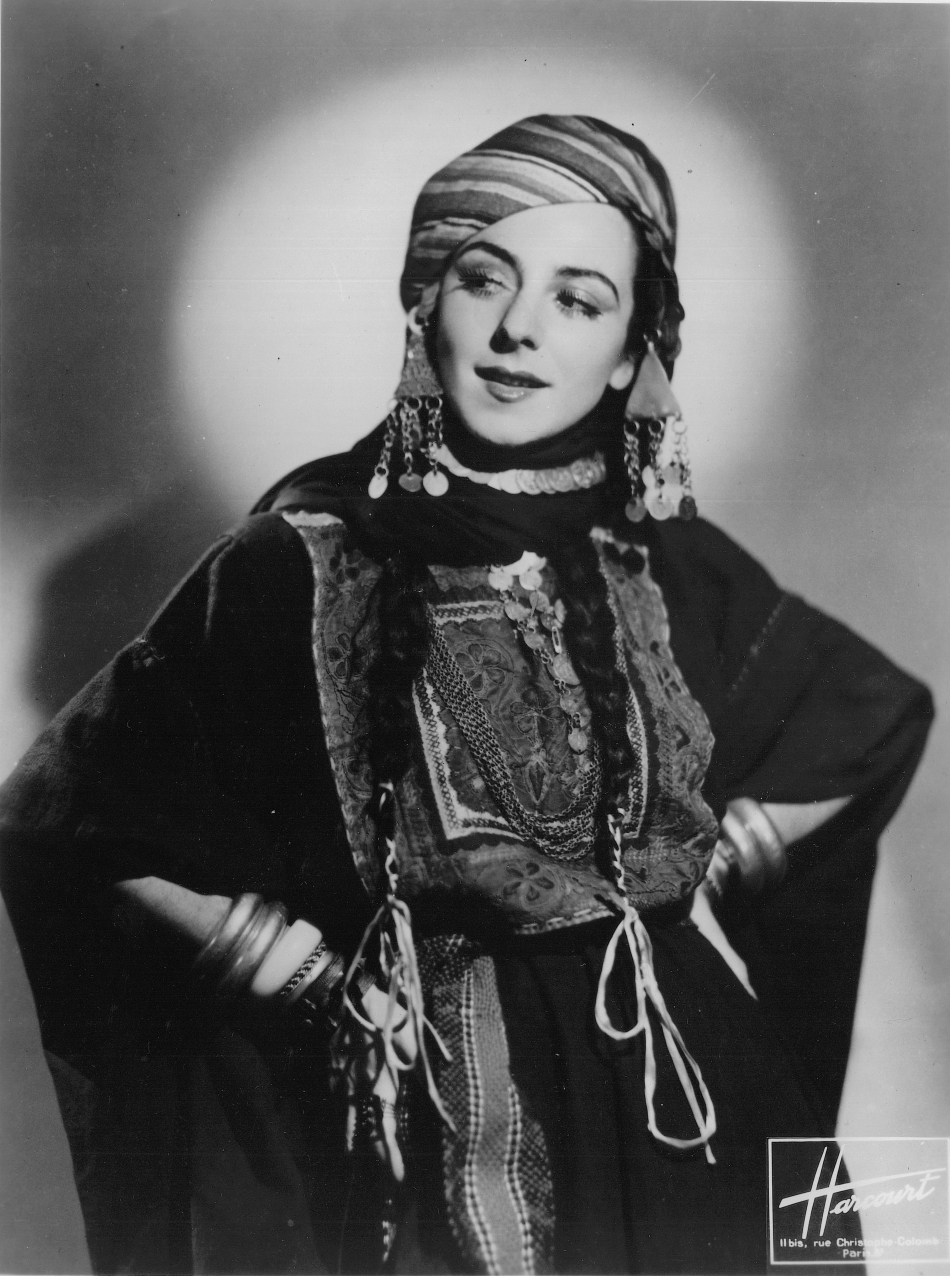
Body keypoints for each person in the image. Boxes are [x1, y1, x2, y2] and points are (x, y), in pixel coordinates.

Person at [0, 115, 933, 1276]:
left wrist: (707, 868)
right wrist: (291, 970)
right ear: (420, 303)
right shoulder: (294, 565)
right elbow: (61, 819)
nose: (517, 329)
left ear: (633, 348)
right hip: (448, 1104)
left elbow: (872, 715)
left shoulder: (662, 560)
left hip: (697, 1092)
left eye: (577, 300)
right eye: (483, 278)